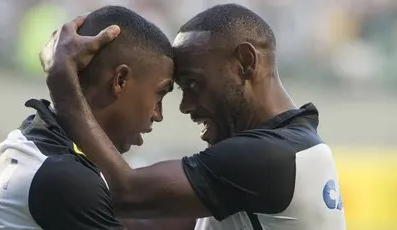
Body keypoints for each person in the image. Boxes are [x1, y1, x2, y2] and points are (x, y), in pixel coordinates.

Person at [43, 3, 347, 230]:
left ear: (245, 62)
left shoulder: (269, 156)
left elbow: (127, 193)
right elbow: (148, 221)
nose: (185, 106)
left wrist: (63, 82)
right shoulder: (294, 145)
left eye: (193, 85)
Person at [0, 6, 194, 230]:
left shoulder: (29, 145)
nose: (158, 114)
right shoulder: (65, 178)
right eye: (160, 94)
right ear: (120, 80)